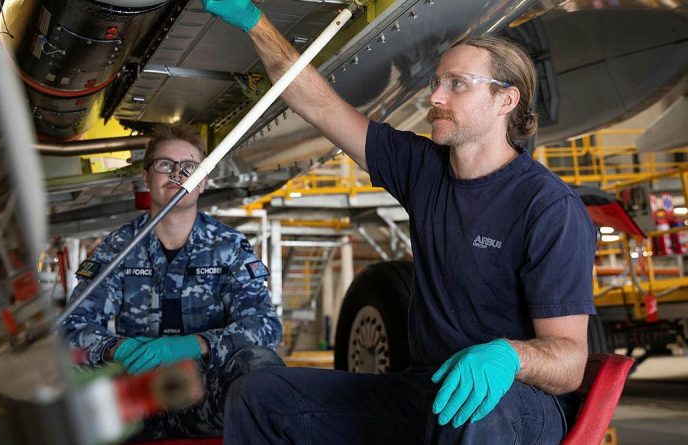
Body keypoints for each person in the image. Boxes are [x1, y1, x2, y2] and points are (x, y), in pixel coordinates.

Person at [201, 2, 598, 444]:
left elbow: (569, 363)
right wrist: (256, 23)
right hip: (425, 390)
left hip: (516, 404)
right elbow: (318, 104)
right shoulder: (422, 168)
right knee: (262, 394)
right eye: (437, 82)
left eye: (457, 85)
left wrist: (510, 355)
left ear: (506, 100)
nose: (435, 97)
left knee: (474, 408)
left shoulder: (547, 206)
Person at [60, 124, 284, 439]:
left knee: (261, 366)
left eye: (189, 168)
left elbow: (264, 325)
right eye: (165, 164)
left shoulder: (228, 246)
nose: (177, 174)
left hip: (204, 396)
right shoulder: (119, 247)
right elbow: (70, 327)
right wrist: (117, 349)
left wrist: (196, 345)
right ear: (146, 176)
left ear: (203, 182)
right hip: (133, 397)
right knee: (60, 371)